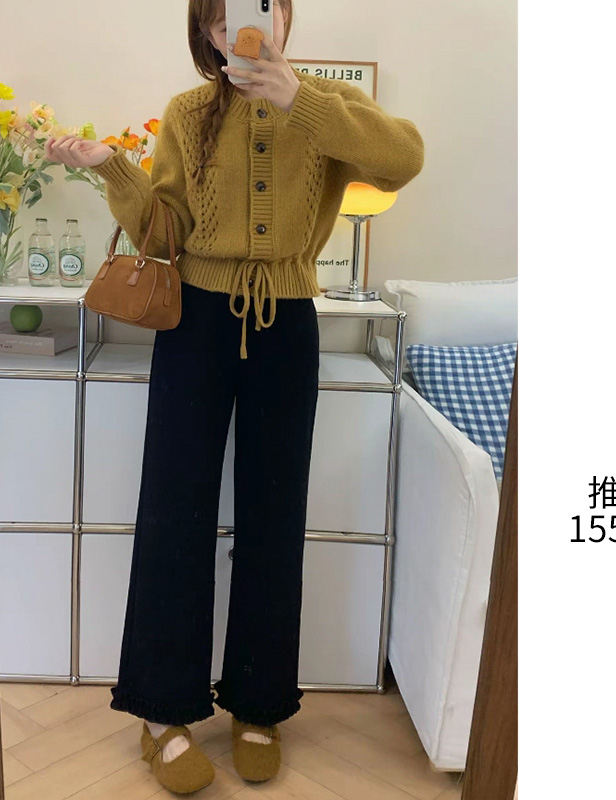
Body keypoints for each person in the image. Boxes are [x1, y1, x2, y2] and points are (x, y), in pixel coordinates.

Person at [45, 0, 424, 792]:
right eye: (220, 20)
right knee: (173, 511)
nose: (240, 30)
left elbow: (402, 159)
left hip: (288, 324)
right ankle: (161, 710)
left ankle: (259, 703)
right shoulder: (189, 113)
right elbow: (166, 229)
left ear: (283, 16)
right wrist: (111, 168)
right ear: (207, 34)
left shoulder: (330, 104)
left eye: (258, 7)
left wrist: (298, 98)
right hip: (196, 323)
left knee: (273, 517)